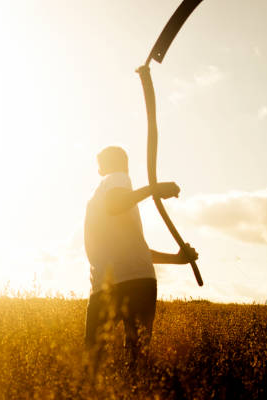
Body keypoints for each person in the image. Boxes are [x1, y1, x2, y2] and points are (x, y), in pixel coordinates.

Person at [84, 145, 198, 368]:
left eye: (100, 167)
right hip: (139, 281)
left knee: (93, 362)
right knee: (136, 362)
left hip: (113, 285)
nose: (99, 172)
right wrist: (176, 259)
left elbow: (115, 203)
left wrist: (154, 189)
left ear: (108, 167)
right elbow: (135, 254)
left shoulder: (115, 179)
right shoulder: (120, 193)